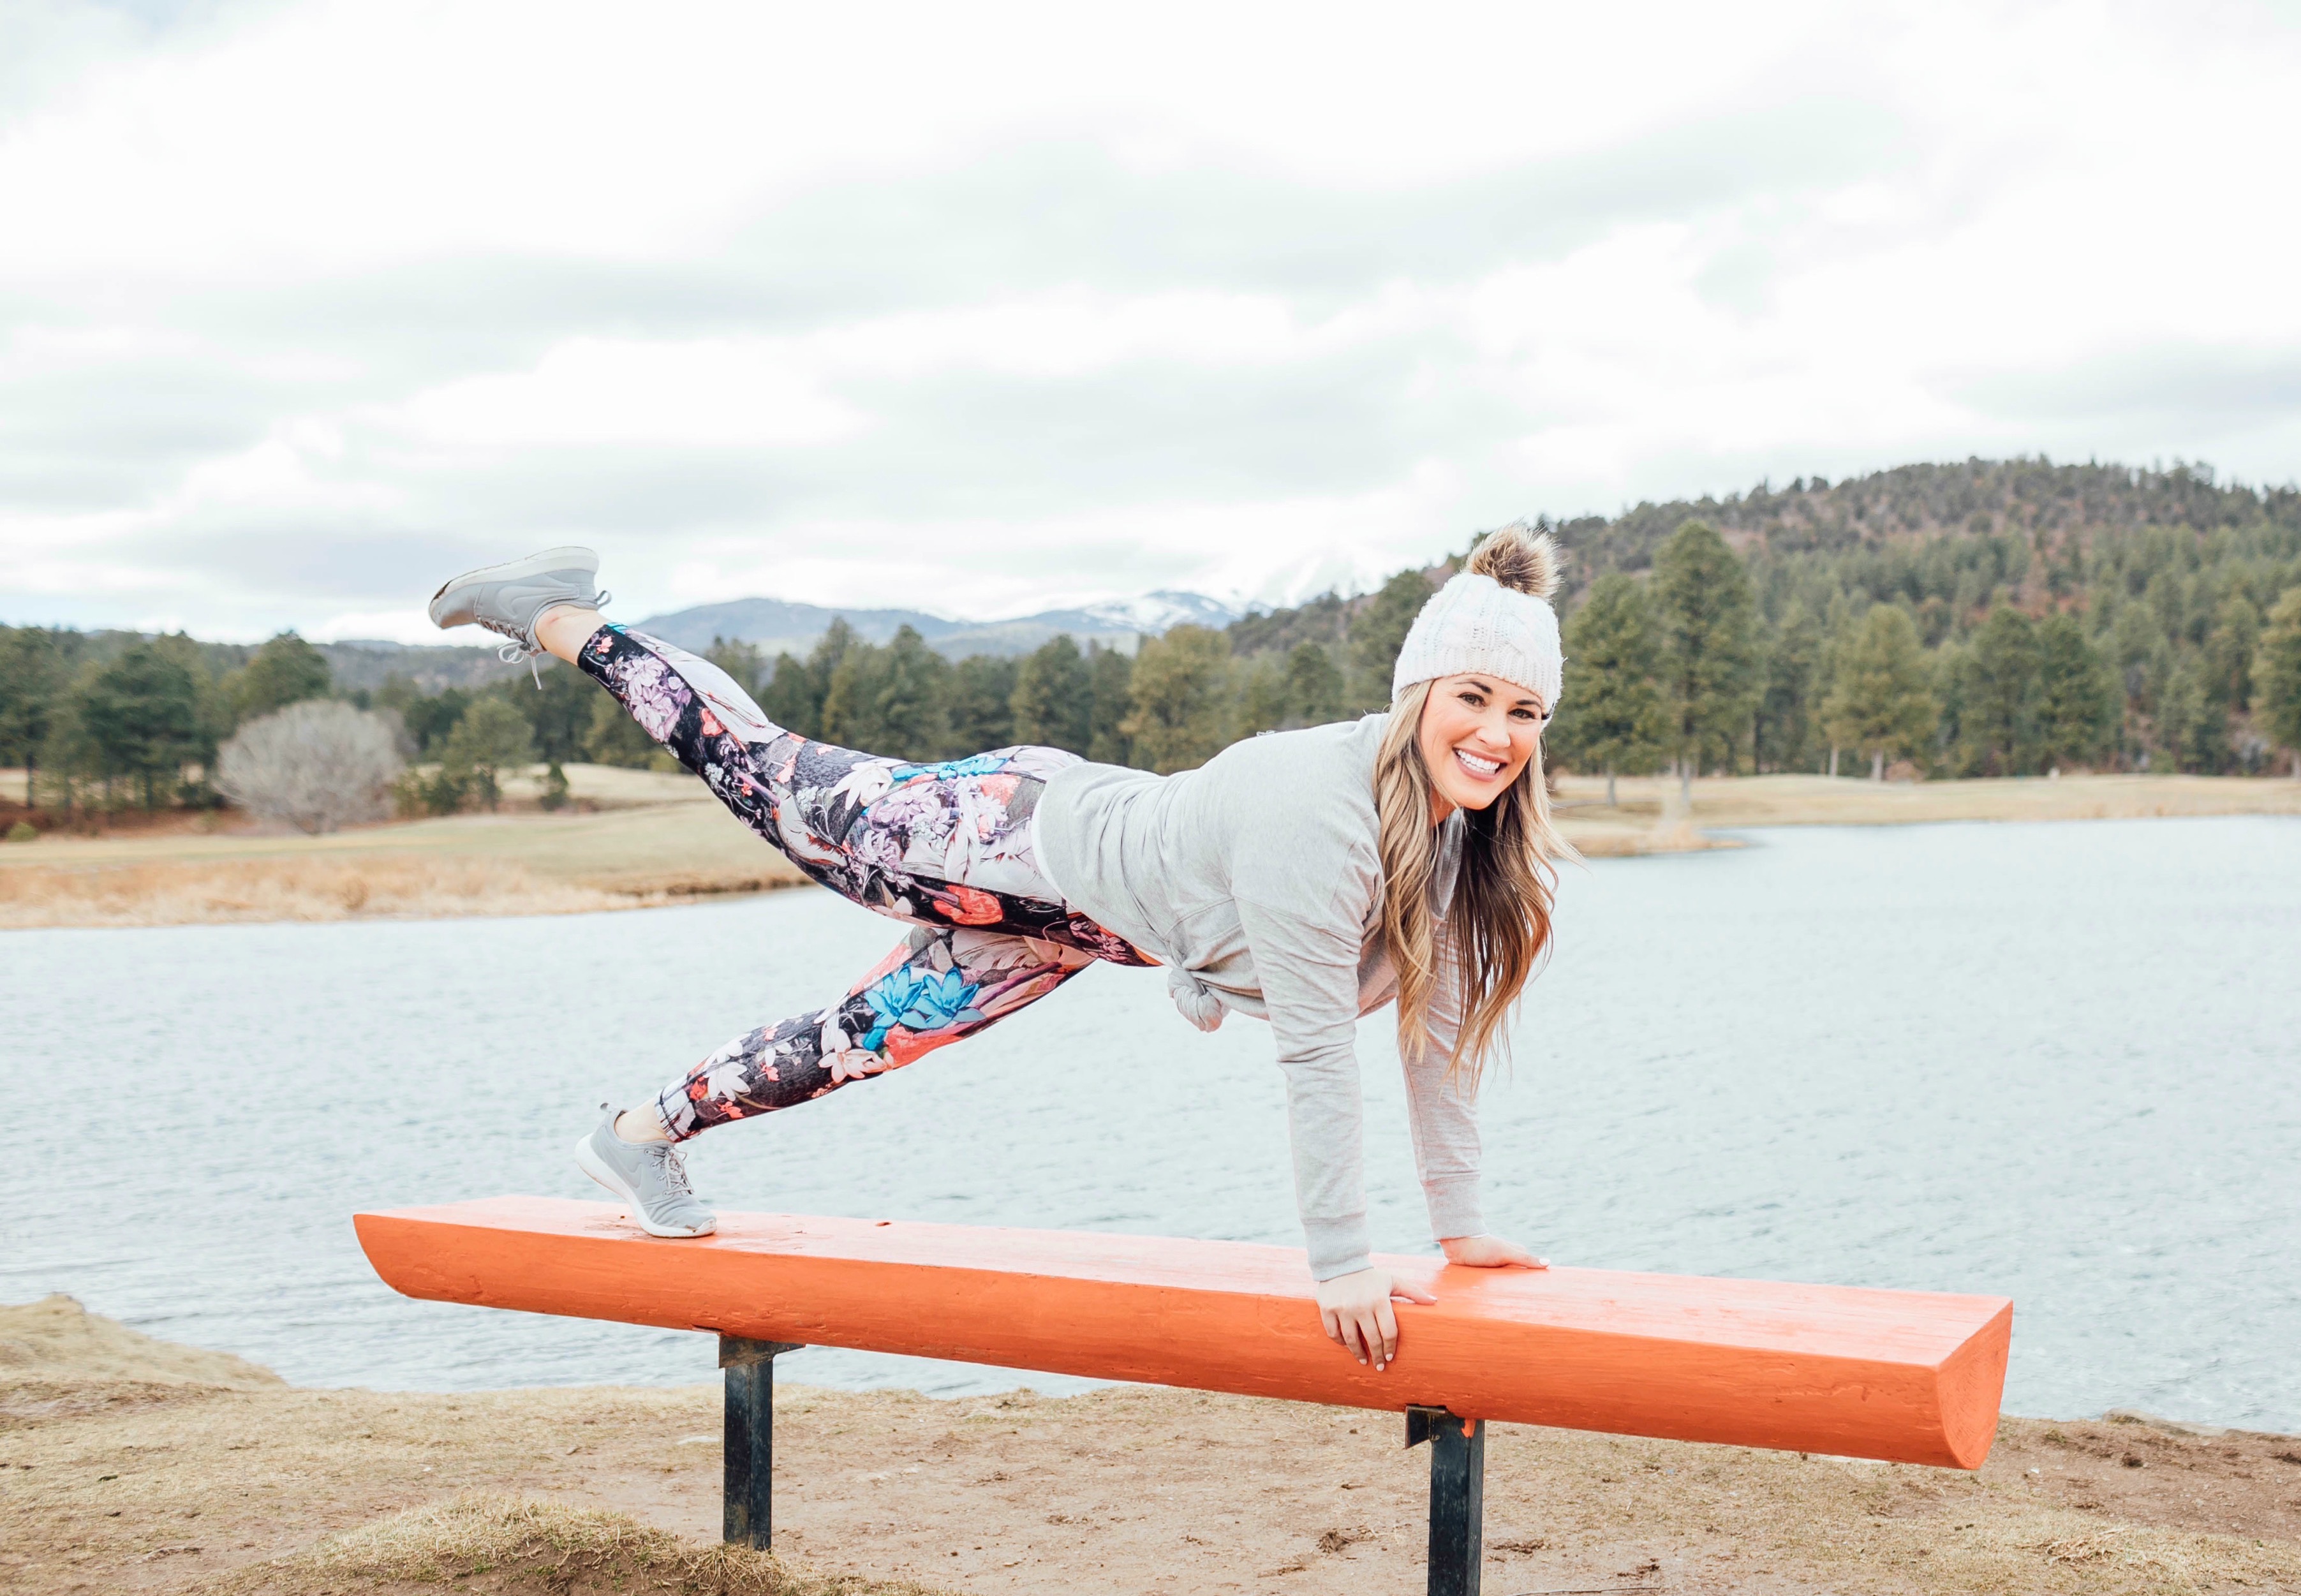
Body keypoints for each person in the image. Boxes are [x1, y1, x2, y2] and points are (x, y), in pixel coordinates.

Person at [427, 529, 1570, 1369]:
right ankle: (553, 614)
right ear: (1419, 691)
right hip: (1007, 832)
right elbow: (1318, 1054)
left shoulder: (1459, 846)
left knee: (860, 1045)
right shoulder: (1317, 814)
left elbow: (1439, 1038)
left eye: (1526, 713)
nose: (1498, 735)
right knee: (765, 773)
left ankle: (636, 1137)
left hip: (1071, 924)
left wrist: (1460, 1227)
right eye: (1474, 697)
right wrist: (1342, 1263)